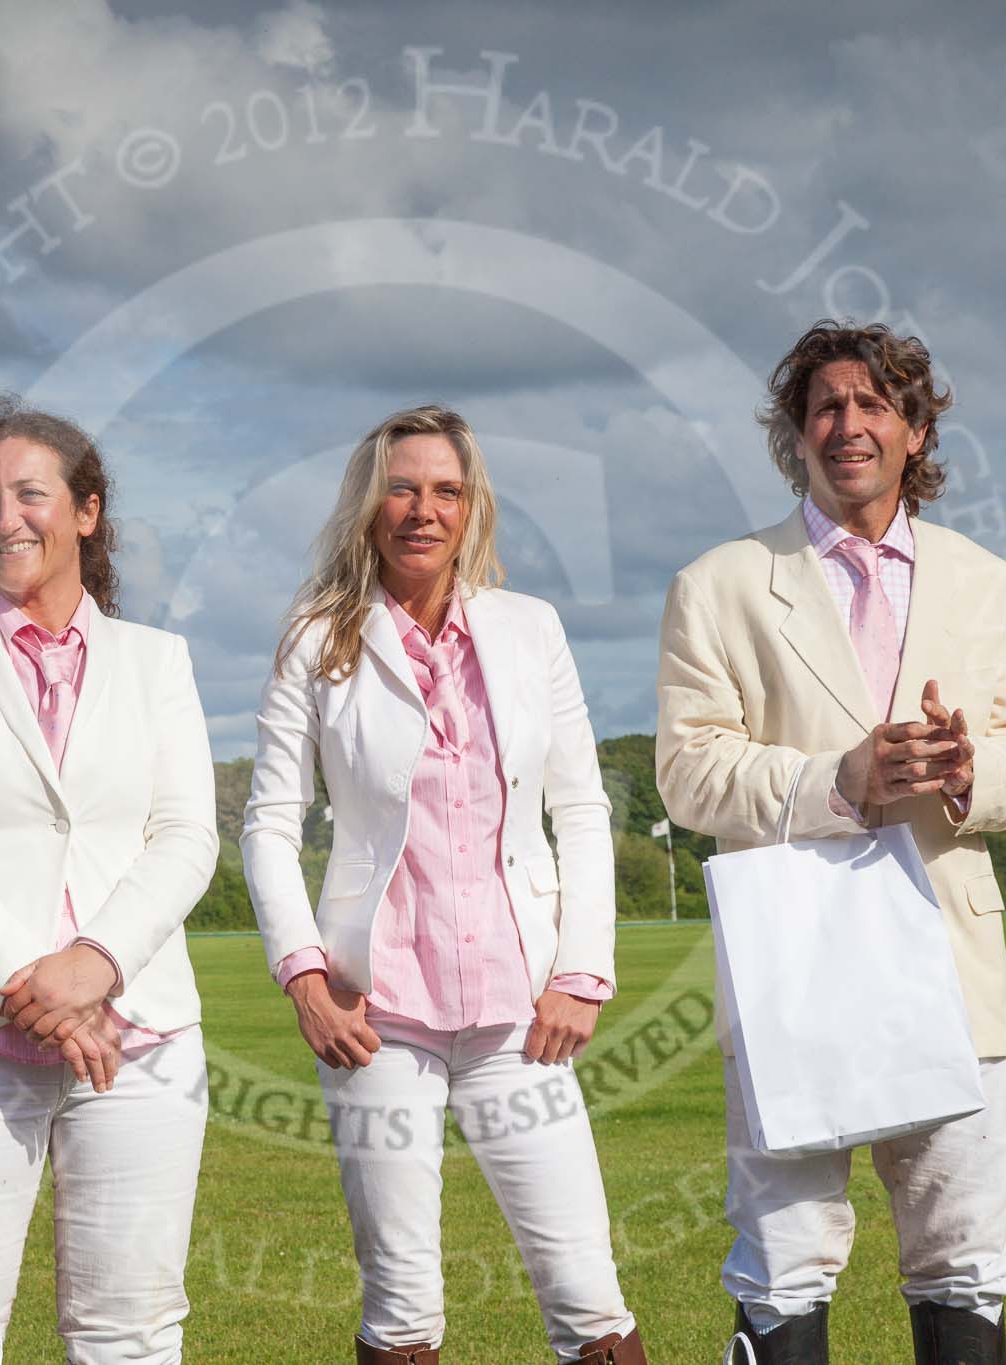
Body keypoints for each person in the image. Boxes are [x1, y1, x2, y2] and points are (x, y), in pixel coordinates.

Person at [655, 320, 1006, 1364]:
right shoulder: (719, 583)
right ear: (793, 435)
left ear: (916, 431)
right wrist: (832, 779)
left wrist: (971, 775)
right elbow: (688, 771)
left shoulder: (988, 581)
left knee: (962, 1256)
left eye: (874, 405)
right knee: (783, 1261)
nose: (849, 425)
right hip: (796, 956)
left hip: (951, 957)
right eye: (824, 406)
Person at [240, 405, 645, 1365]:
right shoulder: (316, 638)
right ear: (368, 502)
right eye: (403, 486)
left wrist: (582, 970)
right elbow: (266, 821)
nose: (424, 509)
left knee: (588, 1293)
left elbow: (583, 810)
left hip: (522, 1011)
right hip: (375, 1011)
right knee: (403, 1305)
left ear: (473, 508)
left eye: (447, 490)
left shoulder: (530, 629)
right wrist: (304, 974)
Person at [0, 398, 218, 1363]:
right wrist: (39, 990)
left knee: (132, 1335)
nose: (5, 517)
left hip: (140, 1037)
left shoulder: (159, 662)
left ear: (88, 512)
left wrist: (97, 963)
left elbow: (187, 835)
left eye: (30, 493)